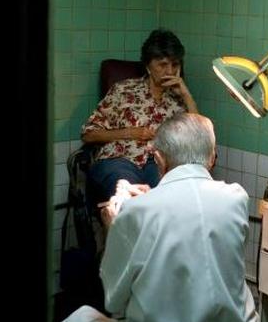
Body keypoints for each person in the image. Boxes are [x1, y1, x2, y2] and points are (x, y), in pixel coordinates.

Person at [57, 113, 259, 322]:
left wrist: (113, 225)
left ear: (158, 159)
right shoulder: (236, 197)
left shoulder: (137, 214)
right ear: (213, 156)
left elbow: (115, 301)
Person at [81, 29, 198, 197]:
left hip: (161, 165)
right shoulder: (123, 90)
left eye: (175, 64)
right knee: (130, 196)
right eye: (163, 65)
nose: (170, 71)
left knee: (167, 198)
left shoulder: (179, 99)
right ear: (148, 66)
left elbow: (199, 138)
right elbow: (88, 134)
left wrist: (187, 95)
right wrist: (130, 133)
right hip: (121, 159)